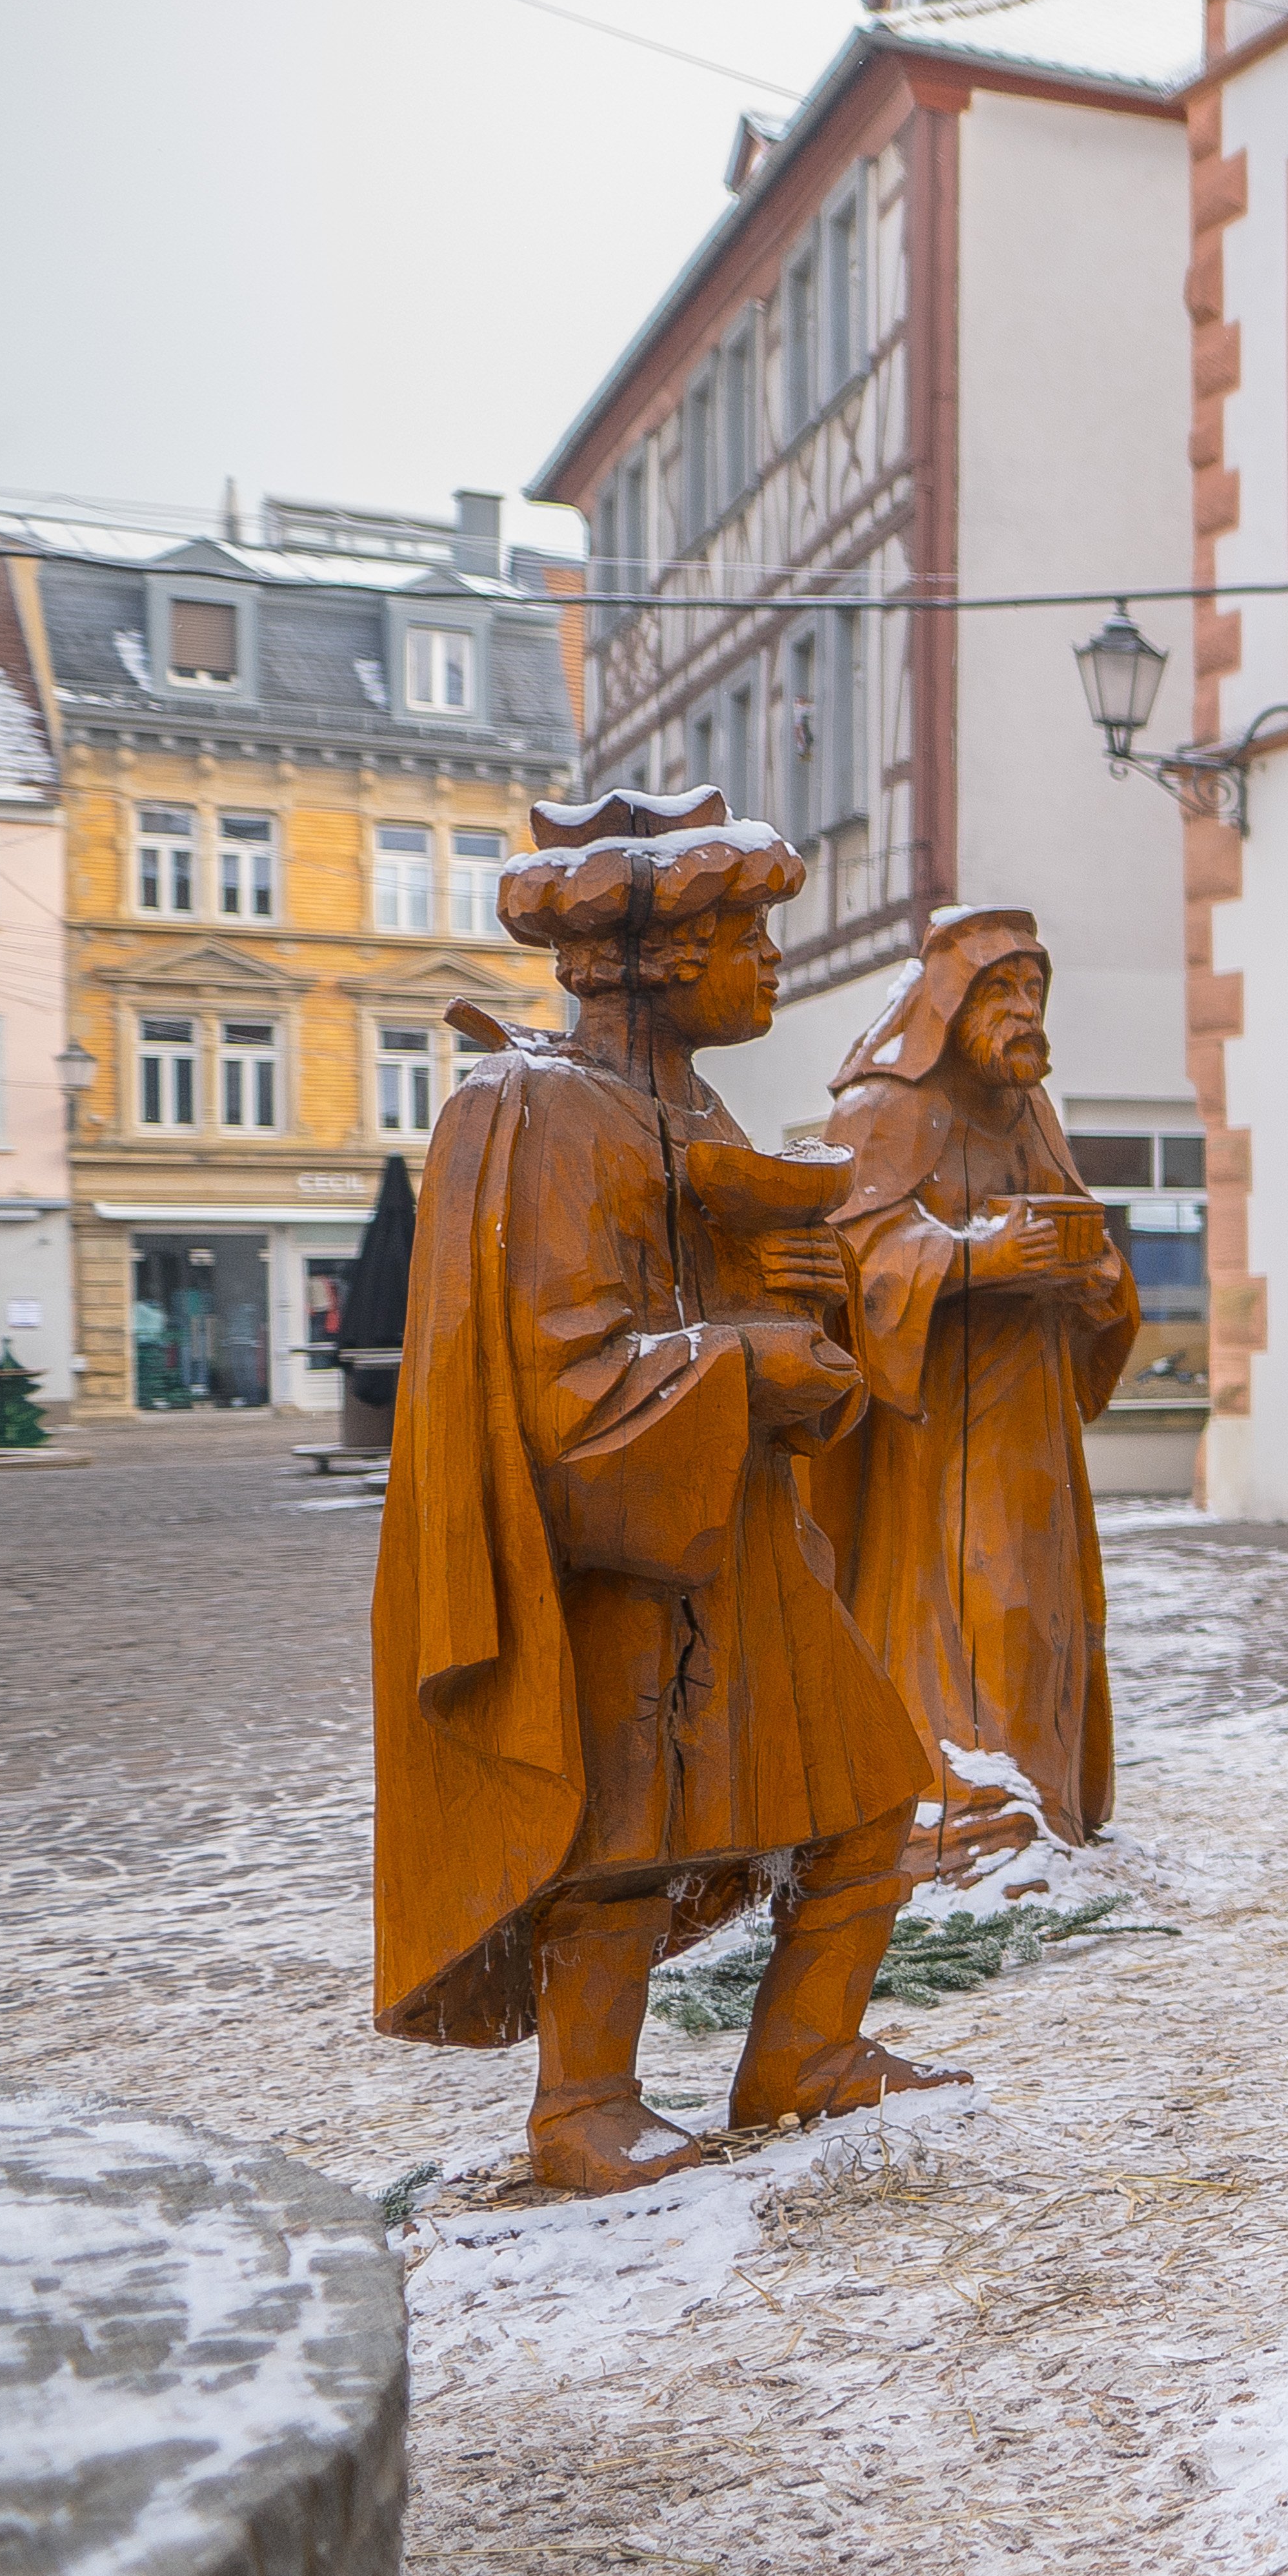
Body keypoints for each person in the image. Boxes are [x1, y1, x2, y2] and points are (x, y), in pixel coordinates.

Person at [368, 788, 960, 2194]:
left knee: (873, 1791)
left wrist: (807, 1313)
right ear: (662, 955)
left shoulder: (685, 1109)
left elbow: (740, 1335)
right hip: (624, 1549)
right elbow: (565, 1386)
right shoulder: (544, 1112)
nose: (772, 962)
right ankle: (580, 2110)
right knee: (624, 1824)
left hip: (736, 1528)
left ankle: (802, 2056)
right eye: (749, 934)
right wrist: (752, 1353)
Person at [816, 909, 1143, 1858]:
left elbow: (1088, 1236)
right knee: (975, 1598)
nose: (1024, 1008)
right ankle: (957, 1809)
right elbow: (852, 1255)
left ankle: (1046, 1807)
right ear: (948, 1004)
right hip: (936, 1429)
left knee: (1042, 1607)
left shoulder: (1031, 1108)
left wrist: (1096, 1278)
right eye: (1000, 988)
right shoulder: (882, 1108)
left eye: (1033, 987)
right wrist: (974, 1259)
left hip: (1033, 1409)